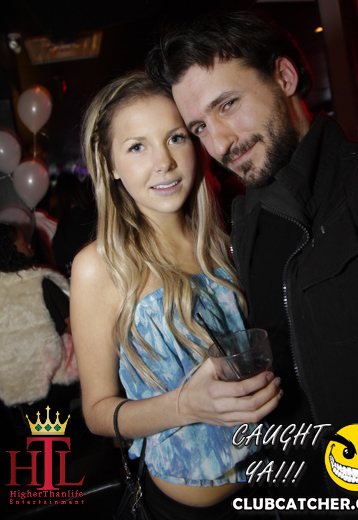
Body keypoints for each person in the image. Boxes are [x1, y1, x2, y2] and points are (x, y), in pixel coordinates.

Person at [145, 11, 358, 503]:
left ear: (284, 76)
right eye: (199, 127)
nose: (220, 143)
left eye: (228, 104)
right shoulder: (242, 225)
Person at [70, 71, 283, 520]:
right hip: (183, 511)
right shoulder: (99, 267)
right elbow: (97, 413)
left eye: (176, 137)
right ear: (110, 164)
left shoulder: (228, 239)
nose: (164, 162)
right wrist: (184, 405)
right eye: (137, 147)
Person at [0, 223, 78, 417]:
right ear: (11, 249)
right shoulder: (39, 282)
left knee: (32, 430)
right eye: (23, 242)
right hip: (51, 382)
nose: (29, 245)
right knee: (52, 431)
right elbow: (72, 325)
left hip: (12, 384)